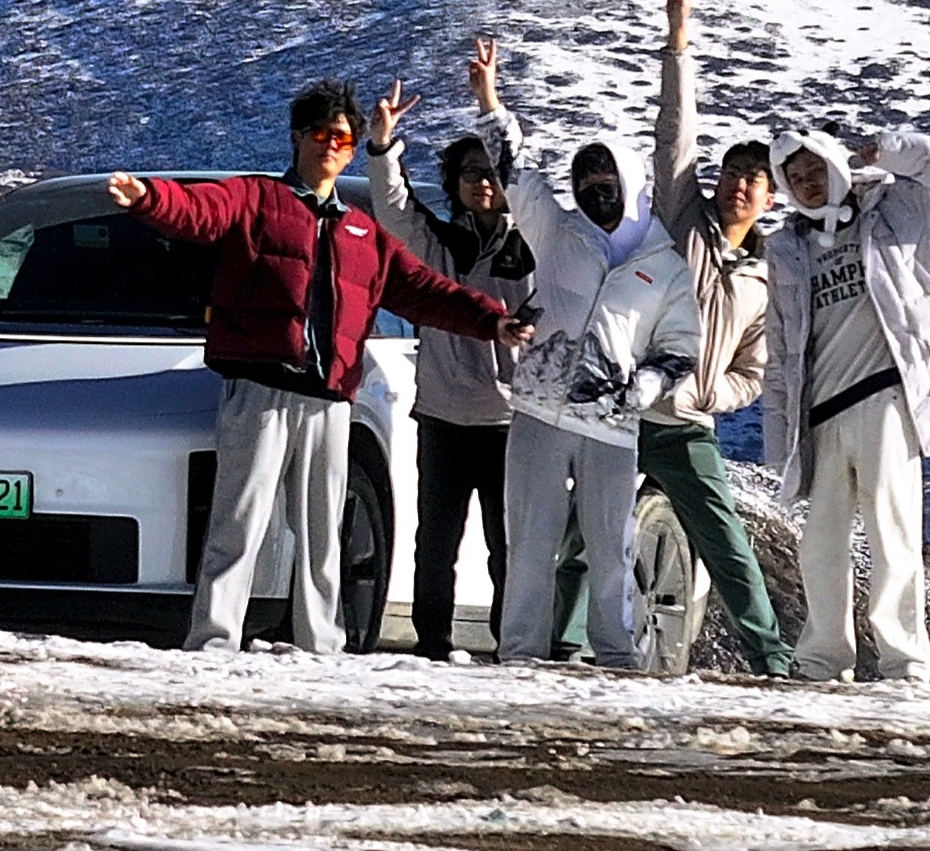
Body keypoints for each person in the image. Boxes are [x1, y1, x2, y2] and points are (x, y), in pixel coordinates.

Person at [111, 79, 524, 655]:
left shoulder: (362, 231)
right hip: (260, 389)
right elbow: (199, 211)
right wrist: (150, 198)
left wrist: (491, 320)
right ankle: (213, 641)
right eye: (322, 134)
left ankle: (321, 646)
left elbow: (422, 290)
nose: (332, 145)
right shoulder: (255, 199)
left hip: (330, 400)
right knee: (239, 525)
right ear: (297, 137)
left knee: (321, 534)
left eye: (344, 138)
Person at [765, 110, 930, 684]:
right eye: (795, 176)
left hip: (884, 397)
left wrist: (892, 150)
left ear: (836, 164)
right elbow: (781, 352)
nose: (808, 181)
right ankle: (822, 660)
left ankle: (904, 663)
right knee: (820, 545)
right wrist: (780, 438)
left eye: (815, 168)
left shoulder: (900, 209)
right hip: (820, 412)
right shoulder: (786, 249)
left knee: (892, 530)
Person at [476, 42, 698, 673]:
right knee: (531, 542)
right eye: (585, 181)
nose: (595, 190)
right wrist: (491, 101)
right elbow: (515, 174)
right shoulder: (557, 231)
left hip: (612, 425)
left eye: (606, 181)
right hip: (541, 414)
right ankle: (520, 650)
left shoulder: (665, 266)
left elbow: (681, 347)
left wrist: (646, 386)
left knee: (611, 547)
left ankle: (619, 654)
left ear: (628, 183)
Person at [637, 0, 793, 677]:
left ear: (767, 200)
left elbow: (754, 372)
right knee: (585, 537)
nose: (736, 185)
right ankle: (563, 645)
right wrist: (679, 40)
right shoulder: (681, 221)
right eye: (730, 173)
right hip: (623, 411)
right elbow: (674, 136)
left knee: (726, 545)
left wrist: (708, 395)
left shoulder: (766, 279)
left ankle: (772, 658)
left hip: (688, 429)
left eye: (751, 181)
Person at [366, 63, 536, 659]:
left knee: (507, 543)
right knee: (435, 541)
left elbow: (519, 169)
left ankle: (511, 641)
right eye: (470, 175)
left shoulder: (536, 243)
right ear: (454, 181)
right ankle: (431, 641)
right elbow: (394, 210)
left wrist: (490, 100)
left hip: (512, 420)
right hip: (442, 417)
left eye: (490, 174)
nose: (483, 184)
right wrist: (383, 146)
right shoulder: (440, 243)